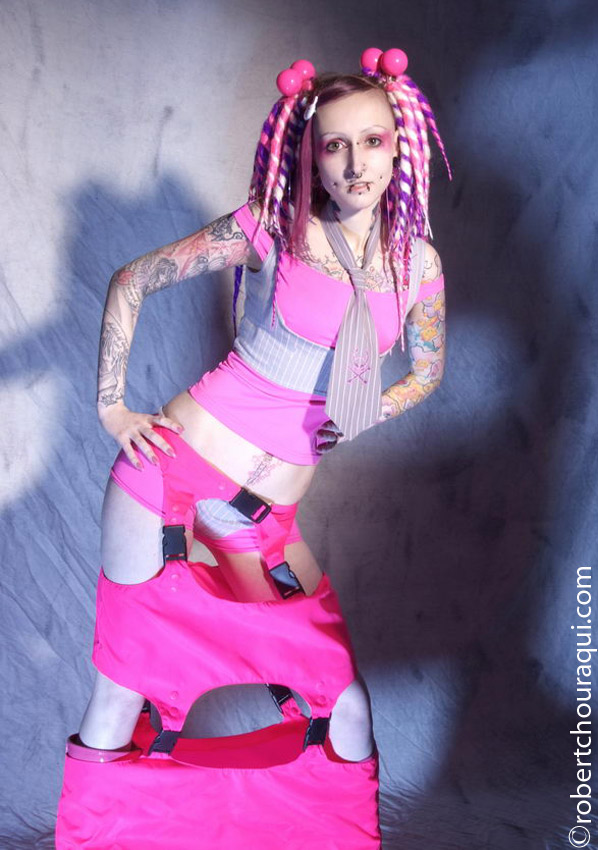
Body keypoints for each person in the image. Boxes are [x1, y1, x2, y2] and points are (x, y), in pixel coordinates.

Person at [55, 47, 450, 848]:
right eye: (335, 145)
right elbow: (133, 279)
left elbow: (429, 370)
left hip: (262, 524)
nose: (355, 163)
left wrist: (371, 409)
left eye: (372, 141)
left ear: (399, 145)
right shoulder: (276, 226)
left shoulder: (419, 265)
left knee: (342, 705)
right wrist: (111, 407)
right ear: (313, 154)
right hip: (168, 486)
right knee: (123, 695)